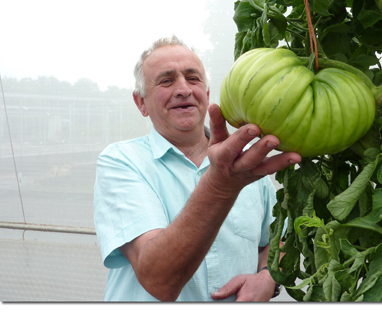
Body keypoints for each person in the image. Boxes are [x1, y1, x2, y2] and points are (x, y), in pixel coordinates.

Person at [93, 36, 301, 301]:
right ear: (141, 102)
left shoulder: (244, 167)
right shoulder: (122, 161)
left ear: (207, 94)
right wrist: (221, 184)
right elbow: (159, 279)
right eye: (166, 80)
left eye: (193, 79)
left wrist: (269, 277)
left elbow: (277, 239)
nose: (184, 89)